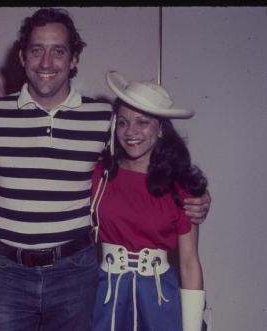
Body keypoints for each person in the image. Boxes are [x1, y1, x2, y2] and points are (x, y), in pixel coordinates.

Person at [0, 8, 211, 331]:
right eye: (37, 50)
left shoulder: (104, 120)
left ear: (74, 59)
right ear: (22, 57)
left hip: (75, 271)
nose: (47, 62)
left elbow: (140, 163)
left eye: (58, 51)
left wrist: (195, 195)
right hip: (7, 272)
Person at [91, 71, 208, 331]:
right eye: (122, 122)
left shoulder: (181, 188)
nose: (130, 131)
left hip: (158, 301)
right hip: (105, 298)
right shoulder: (99, 176)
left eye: (142, 122)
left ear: (161, 129)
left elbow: (189, 262)